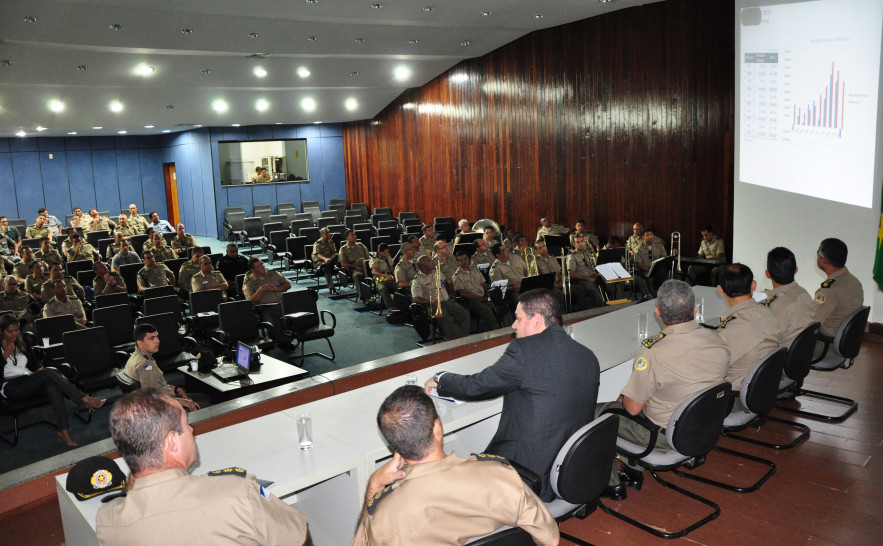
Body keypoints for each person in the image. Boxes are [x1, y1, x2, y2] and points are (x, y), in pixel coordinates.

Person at [425, 288, 598, 502]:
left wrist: (441, 378)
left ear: (536, 320)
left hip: (528, 476)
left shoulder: (523, 351)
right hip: (571, 474)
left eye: (518, 319)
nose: (513, 326)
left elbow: (476, 386)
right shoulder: (587, 356)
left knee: (447, 476)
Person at [96, 389, 310, 544]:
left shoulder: (107, 519)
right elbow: (299, 538)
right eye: (186, 424)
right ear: (172, 441)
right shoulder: (237, 493)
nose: (192, 430)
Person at [352, 385, 559, 546]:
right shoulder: (498, 475)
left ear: (394, 446)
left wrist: (374, 487)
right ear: (437, 427)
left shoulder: (384, 516)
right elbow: (551, 538)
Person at [595, 280, 729, 500]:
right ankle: (632, 469)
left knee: (595, 413)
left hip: (661, 437)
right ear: (695, 310)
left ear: (657, 312)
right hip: (700, 426)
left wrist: (629, 396)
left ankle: (611, 484)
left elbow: (632, 409)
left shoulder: (653, 351)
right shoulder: (718, 340)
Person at [0, 315, 105, 447]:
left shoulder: (22, 341)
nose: (14, 334)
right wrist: (4, 356)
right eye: (10, 331)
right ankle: (84, 399)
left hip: (29, 380)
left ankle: (64, 431)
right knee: (48, 373)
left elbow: (33, 361)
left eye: (16, 330)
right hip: (11, 387)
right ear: (1, 331)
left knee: (51, 386)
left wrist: (38, 368)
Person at [716, 264, 781, 390]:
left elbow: (713, 369)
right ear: (753, 285)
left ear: (720, 289)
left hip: (734, 395)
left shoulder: (730, 330)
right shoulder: (768, 313)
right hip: (763, 386)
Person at [122, 324, 199, 411]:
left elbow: (157, 386)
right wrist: (183, 402)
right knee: (207, 399)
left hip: (166, 399)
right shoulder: (146, 365)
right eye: (151, 339)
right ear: (140, 343)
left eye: (157, 337)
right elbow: (152, 398)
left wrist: (178, 389)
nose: (157, 341)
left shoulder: (135, 357)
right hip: (165, 408)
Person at [763, 247, 816, 345]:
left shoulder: (776, 306)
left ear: (767, 274)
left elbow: (765, 340)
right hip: (804, 351)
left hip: (783, 356)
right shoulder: (804, 293)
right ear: (796, 270)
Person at [814, 238, 864, 341]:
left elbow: (810, 322)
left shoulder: (829, 291)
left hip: (824, 346)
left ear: (825, 261)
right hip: (844, 341)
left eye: (818, 252)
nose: (816, 254)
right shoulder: (854, 281)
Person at [411, 255, 470, 340]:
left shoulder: (437, 273)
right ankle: (458, 340)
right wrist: (430, 301)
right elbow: (416, 298)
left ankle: (463, 337)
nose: (432, 262)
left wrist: (447, 293)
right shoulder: (417, 280)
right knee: (447, 319)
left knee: (464, 314)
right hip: (433, 305)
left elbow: (443, 283)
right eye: (429, 261)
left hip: (446, 301)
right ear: (423, 266)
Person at [242, 257, 293, 349]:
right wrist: (261, 290)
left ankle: (287, 335)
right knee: (274, 317)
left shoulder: (273, 274)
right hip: (265, 308)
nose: (262, 266)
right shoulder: (249, 281)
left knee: (297, 310)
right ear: (252, 269)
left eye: (262, 264)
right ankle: (284, 342)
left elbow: (288, 285)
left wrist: (276, 289)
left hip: (282, 303)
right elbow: (250, 301)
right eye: (259, 266)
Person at [453, 251, 506, 330]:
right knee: (485, 309)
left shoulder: (474, 269)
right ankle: (495, 330)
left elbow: (483, 284)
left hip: (483, 296)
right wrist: (480, 298)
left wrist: (488, 294)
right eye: (461, 260)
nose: (464, 261)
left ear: (469, 259)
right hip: (471, 300)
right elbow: (462, 293)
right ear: (457, 262)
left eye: (466, 259)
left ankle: (507, 327)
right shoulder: (457, 276)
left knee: (501, 303)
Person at [566, 234, 604, 308]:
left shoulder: (588, 254)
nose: (581, 244)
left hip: (592, 277)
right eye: (578, 242)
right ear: (574, 245)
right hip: (581, 280)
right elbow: (571, 274)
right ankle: (602, 308)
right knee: (592, 289)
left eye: (582, 241)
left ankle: (615, 304)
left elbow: (593, 267)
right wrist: (587, 279)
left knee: (608, 283)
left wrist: (596, 274)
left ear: (585, 242)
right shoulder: (572, 256)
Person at [633, 227, 668, 297]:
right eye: (647, 235)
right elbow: (639, 264)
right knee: (649, 277)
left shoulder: (659, 246)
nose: (650, 236)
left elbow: (665, 257)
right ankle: (653, 296)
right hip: (646, 270)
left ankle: (664, 295)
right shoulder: (638, 249)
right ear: (643, 237)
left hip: (658, 269)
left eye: (651, 234)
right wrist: (650, 270)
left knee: (663, 273)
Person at [311, 227, 339, 294]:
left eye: (329, 232)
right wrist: (325, 259)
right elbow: (318, 255)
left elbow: (334, 253)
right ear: (322, 235)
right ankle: (332, 288)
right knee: (326, 268)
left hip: (329, 261)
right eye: (326, 233)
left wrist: (331, 244)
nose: (328, 234)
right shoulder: (318, 243)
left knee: (337, 255)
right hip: (319, 262)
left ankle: (323, 266)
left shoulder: (330, 241)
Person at [370, 243, 395, 309]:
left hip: (389, 276)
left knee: (398, 286)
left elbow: (392, 269)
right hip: (378, 278)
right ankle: (391, 307)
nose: (386, 254)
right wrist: (385, 275)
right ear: (379, 252)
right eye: (384, 253)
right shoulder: (375, 258)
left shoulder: (388, 256)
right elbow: (375, 271)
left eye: (387, 253)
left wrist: (395, 276)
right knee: (383, 288)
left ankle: (399, 304)